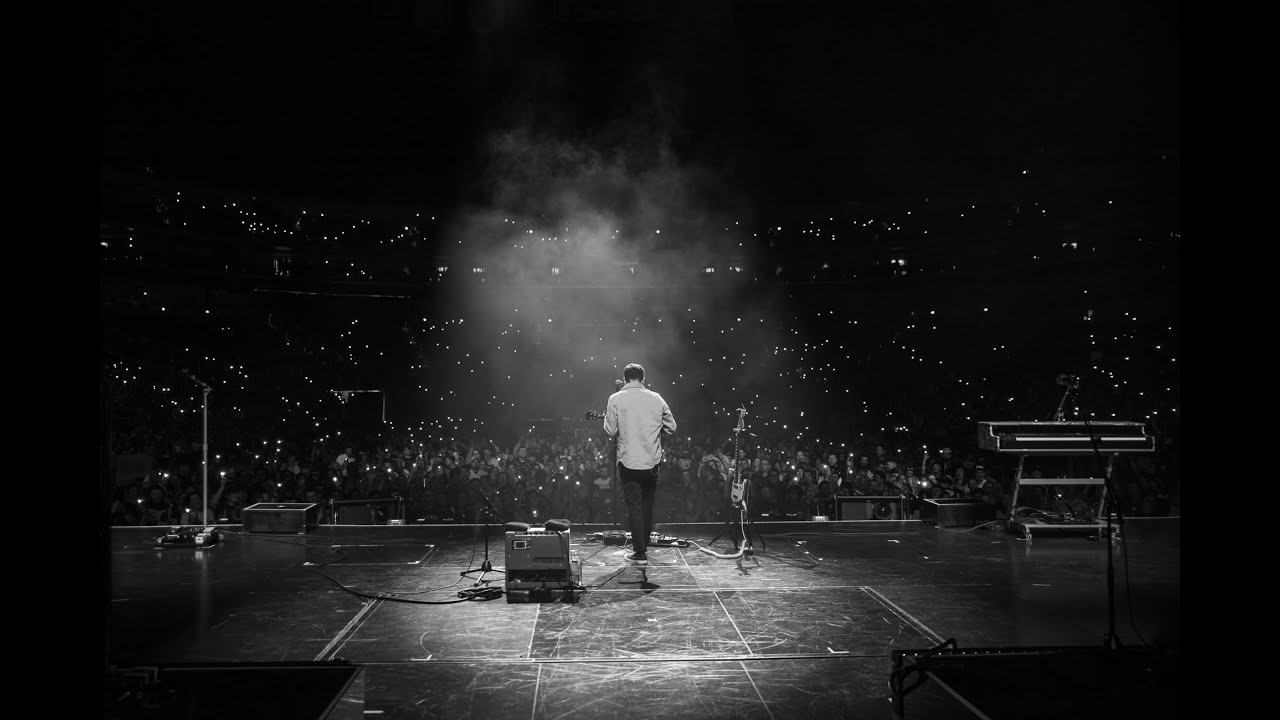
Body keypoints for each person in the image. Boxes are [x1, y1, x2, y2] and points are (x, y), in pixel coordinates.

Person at [604, 363, 677, 565]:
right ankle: (643, 545)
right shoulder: (656, 398)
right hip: (652, 462)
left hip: (628, 462)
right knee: (647, 505)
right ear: (643, 378)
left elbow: (610, 431)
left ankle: (640, 551)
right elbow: (672, 427)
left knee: (634, 507)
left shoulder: (615, 398)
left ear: (625, 378)